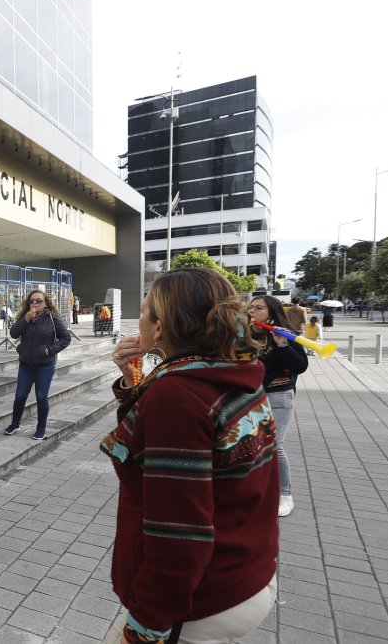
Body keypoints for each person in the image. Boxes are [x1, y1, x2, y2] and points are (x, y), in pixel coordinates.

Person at [106, 267, 277, 644]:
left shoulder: (177, 397)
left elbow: (178, 532)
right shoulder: (235, 372)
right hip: (243, 575)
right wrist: (133, 379)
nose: (139, 319)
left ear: (161, 327)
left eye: (145, 310)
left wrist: (144, 629)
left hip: (199, 602)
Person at [247, 295, 308, 518]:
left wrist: (282, 344)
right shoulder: (247, 333)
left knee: (274, 446)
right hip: (251, 397)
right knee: (252, 445)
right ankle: (259, 490)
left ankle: (285, 494)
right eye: (251, 307)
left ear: (271, 312)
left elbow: (300, 366)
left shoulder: (284, 334)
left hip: (278, 397)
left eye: (259, 308)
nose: (252, 311)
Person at [5, 290, 72, 439]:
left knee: (41, 397)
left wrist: (50, 351)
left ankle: (41, 429)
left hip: (45, 365)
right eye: (31, 301)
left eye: (38, 301)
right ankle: (15, 424)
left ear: (46, 303)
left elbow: (66, 338)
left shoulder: (53, 318)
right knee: (20, 396)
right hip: (26, 365)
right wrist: (26, 319)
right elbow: (14, 333)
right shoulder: (25, 317)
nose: (34, 303)